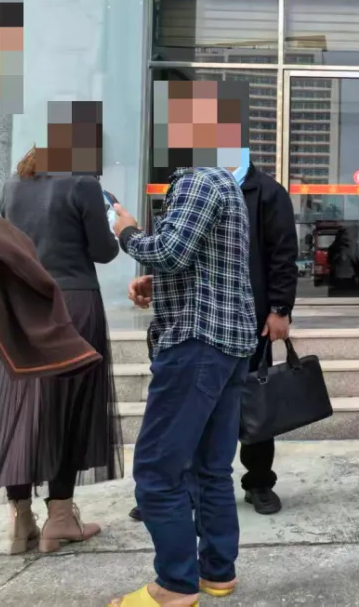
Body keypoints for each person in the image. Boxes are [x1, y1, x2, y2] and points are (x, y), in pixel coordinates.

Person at [110, 163, 257, 606]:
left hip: (196, 342)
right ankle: (217, 572)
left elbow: (171, 250)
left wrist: (127, 232)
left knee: (157, 470)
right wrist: (161, 283)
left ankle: (175, 585)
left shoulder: (197, 180)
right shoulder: (222, 182)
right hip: (227, 343)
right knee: (210, 467)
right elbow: (206, 263)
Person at [126, 157, 297, 521]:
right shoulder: (202, 182)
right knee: (196, 419)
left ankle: (258, 480)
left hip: (247, 318)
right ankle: (180, 490)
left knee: (256, 403)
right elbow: (196, 253)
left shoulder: (266, 191)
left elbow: (282, 254)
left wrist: (280, 308)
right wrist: (158, 282)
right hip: (201, 318)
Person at [0, 147, 122, 554]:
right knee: (69, 407)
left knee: (20, 409)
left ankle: (19, 518)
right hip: (73, 304)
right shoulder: (83, 184)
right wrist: (114, 223)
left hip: (23, 304)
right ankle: (60, 517)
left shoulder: (12, 186)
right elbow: (103, 251)